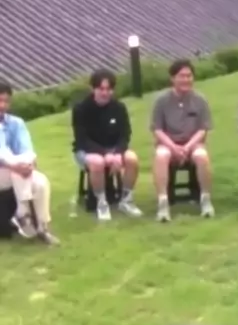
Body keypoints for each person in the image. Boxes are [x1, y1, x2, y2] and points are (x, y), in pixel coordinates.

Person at [72, 69, 142, 221]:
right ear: (93, 89)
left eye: (108, 89)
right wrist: (105, 154)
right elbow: (82, 139)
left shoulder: (119, 108)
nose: (105, 93)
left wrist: (117, 152)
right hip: (87, 150)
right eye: (101, 89)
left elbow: (125, 134)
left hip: (113, 149)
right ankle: (101, 202)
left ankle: (126, 199)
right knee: (97, 162)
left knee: (132, 159)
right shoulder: (80, 109)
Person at [150, 59, 214, 222]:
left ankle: (205, 199)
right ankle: (163, 202)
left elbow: (203, 129)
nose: (186, 80)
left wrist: (187, 147)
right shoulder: (161, 101)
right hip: (168, 143)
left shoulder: (200, 100)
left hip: (193, 143)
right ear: (173, 78)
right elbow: (157, 129)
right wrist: (173, 147)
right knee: (161, 156)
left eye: (189, 76)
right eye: (182, 76)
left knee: (201, 156)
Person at [0, 81, 59, 244]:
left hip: (16, 171)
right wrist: (16, 167)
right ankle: (22, 212)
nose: (2, 105)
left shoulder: (16, 123)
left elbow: (27, 150)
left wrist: (29, 164)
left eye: (6, 101)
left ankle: (42, 227)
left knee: (40, 182)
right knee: (17, 172)